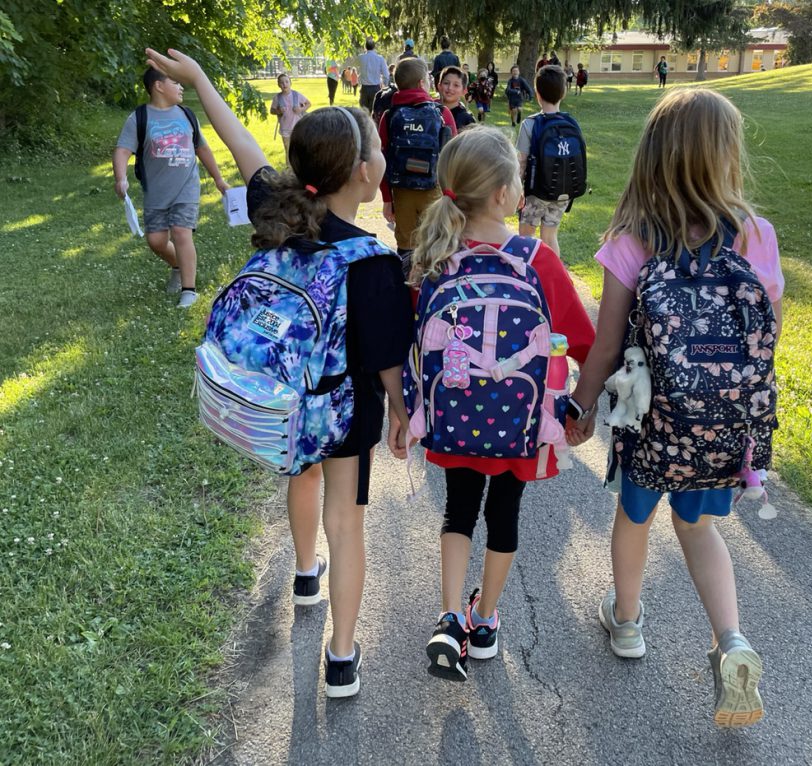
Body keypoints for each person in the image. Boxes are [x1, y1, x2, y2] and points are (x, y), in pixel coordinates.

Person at [144, 47, 414, 699]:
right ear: (360, 174)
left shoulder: (276, 207)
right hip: (344, 410)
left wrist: (199, 79)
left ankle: (302, 571)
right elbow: (386, 365)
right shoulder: (373, 263)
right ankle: (342, 657)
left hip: (290, 394)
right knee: (347, 522)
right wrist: (404, 413)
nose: (380, 162)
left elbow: (238, 142)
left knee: (302, 470)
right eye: (375, 153)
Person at [565, 88, 784, 728]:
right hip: (721, 429)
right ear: (726, 158)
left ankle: (627, 622)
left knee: (634, 519)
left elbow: (606, 345)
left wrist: (579, 409)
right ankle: (732, 643)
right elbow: (768, 334)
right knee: (699, 530)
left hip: (651, 423)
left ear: (652, 158)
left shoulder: (634, 240)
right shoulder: (755, 235)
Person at [408, 126, 594, 681]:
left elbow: (415, 341)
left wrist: (407, 414)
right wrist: (579, 409)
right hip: (518, 425)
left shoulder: (437, 256)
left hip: (455, 420)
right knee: (503, 514)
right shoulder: (537, 260)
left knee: (458, 509)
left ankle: (448, 617)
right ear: (502, 195)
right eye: (515, 175)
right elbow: (583, 341)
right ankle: (484, 621)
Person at [113, 66, 229, 309]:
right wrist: (120, 177)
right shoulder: (139, 118)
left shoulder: (187, 115)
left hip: (186, 187)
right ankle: (178, 265)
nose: (181, 87)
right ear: (158, 86)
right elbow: (123, 150)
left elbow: (202, 149)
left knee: (181, 232)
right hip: (156, 191)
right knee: (156, 241)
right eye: (175, 82)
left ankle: (189, 290)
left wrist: (218, 179)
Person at [379, 57, 458, 269]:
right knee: (437, 242)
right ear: (422, 83)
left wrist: (387, 199)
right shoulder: (442, 114)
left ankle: (407, 288)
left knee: (406, 246)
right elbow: (454, 159)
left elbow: (383, 160)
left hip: (401, 192)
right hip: (435, 191)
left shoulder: (389, 116)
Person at [516, 65, 578, 256]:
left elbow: (522, 161)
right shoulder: (571, 123)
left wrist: (518, 189)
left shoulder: (530, 124)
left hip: (536, 192)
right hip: (563, 192)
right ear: (563, 93)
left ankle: (526, 277)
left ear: (537, 94)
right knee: (550, 237)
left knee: (526, 236)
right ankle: (553, 278)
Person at [269, 73, 310, 157]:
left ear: (290, 83)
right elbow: (271, 111)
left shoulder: (297, 95)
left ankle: (300, 167)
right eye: (282, 83)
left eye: (286, 82)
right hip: (285, 129)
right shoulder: (277, 98)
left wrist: (301, 109)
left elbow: (308, 103)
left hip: (298, 127)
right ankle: (289, 168)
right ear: (278, 85)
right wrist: (278, 111)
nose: (284, 84)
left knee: (299, 149)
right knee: (288, 151)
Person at [437, 65, 475, 131]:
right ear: (439, 86)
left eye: (456, 85)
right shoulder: (430, 111)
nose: (450, 88)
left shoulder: (467, 120)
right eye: (446, 83)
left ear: (464, 91)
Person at [358, 38, 390, 112]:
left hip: (364, 88)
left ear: (365, 47)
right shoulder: (380, 59)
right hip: (376, 88)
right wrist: (385, 85)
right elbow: (386, 75)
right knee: (375, 112)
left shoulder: (361, 58)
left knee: (364, 114)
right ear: (374, 47)